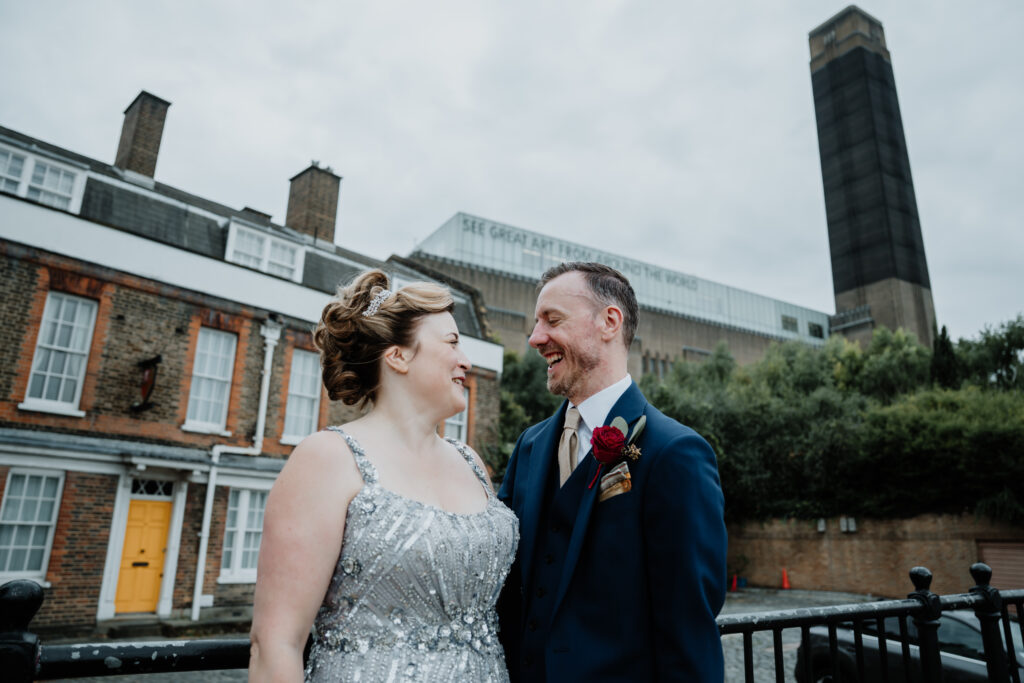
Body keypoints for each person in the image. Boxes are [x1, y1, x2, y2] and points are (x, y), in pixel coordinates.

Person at [249, 270, 519, 683]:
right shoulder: (328, 459)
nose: (466, 360)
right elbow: (275, 644)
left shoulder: (472, 464)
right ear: (398, 357)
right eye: (451, 342)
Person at [497, 262, 728, 682]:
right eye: (535, 323)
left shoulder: (675, 453)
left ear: (609, 321)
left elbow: (687, 630)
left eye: (552, 320)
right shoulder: (530, 446)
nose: (535, 338)